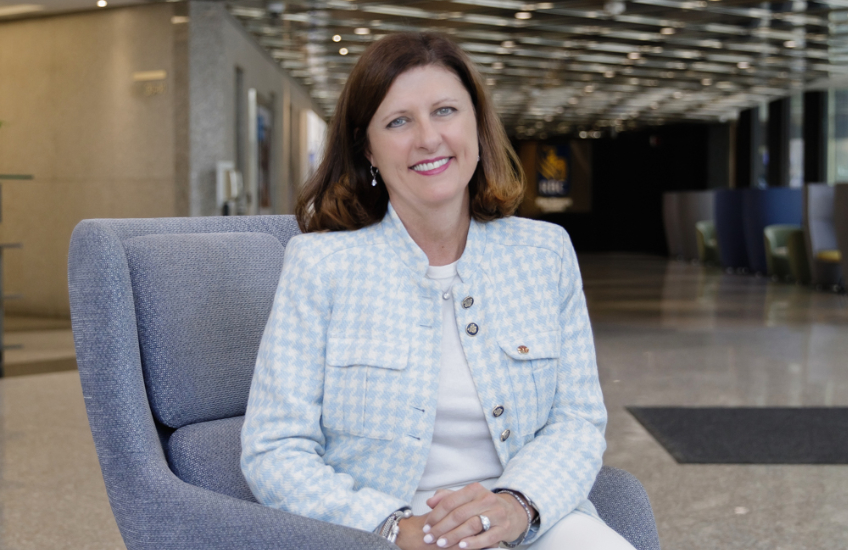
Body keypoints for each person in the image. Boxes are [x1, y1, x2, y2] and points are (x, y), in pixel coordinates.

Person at [240, 32, 636, 550]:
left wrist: (517, 505)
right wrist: (392, 526)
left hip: (531, 520)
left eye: (445, 111)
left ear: (476, 123)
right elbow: (274, 449)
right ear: (369, 149)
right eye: (398, 121)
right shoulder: (321, 266)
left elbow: (577, 422)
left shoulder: (545, 254)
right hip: (382, 531)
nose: (428, 138)